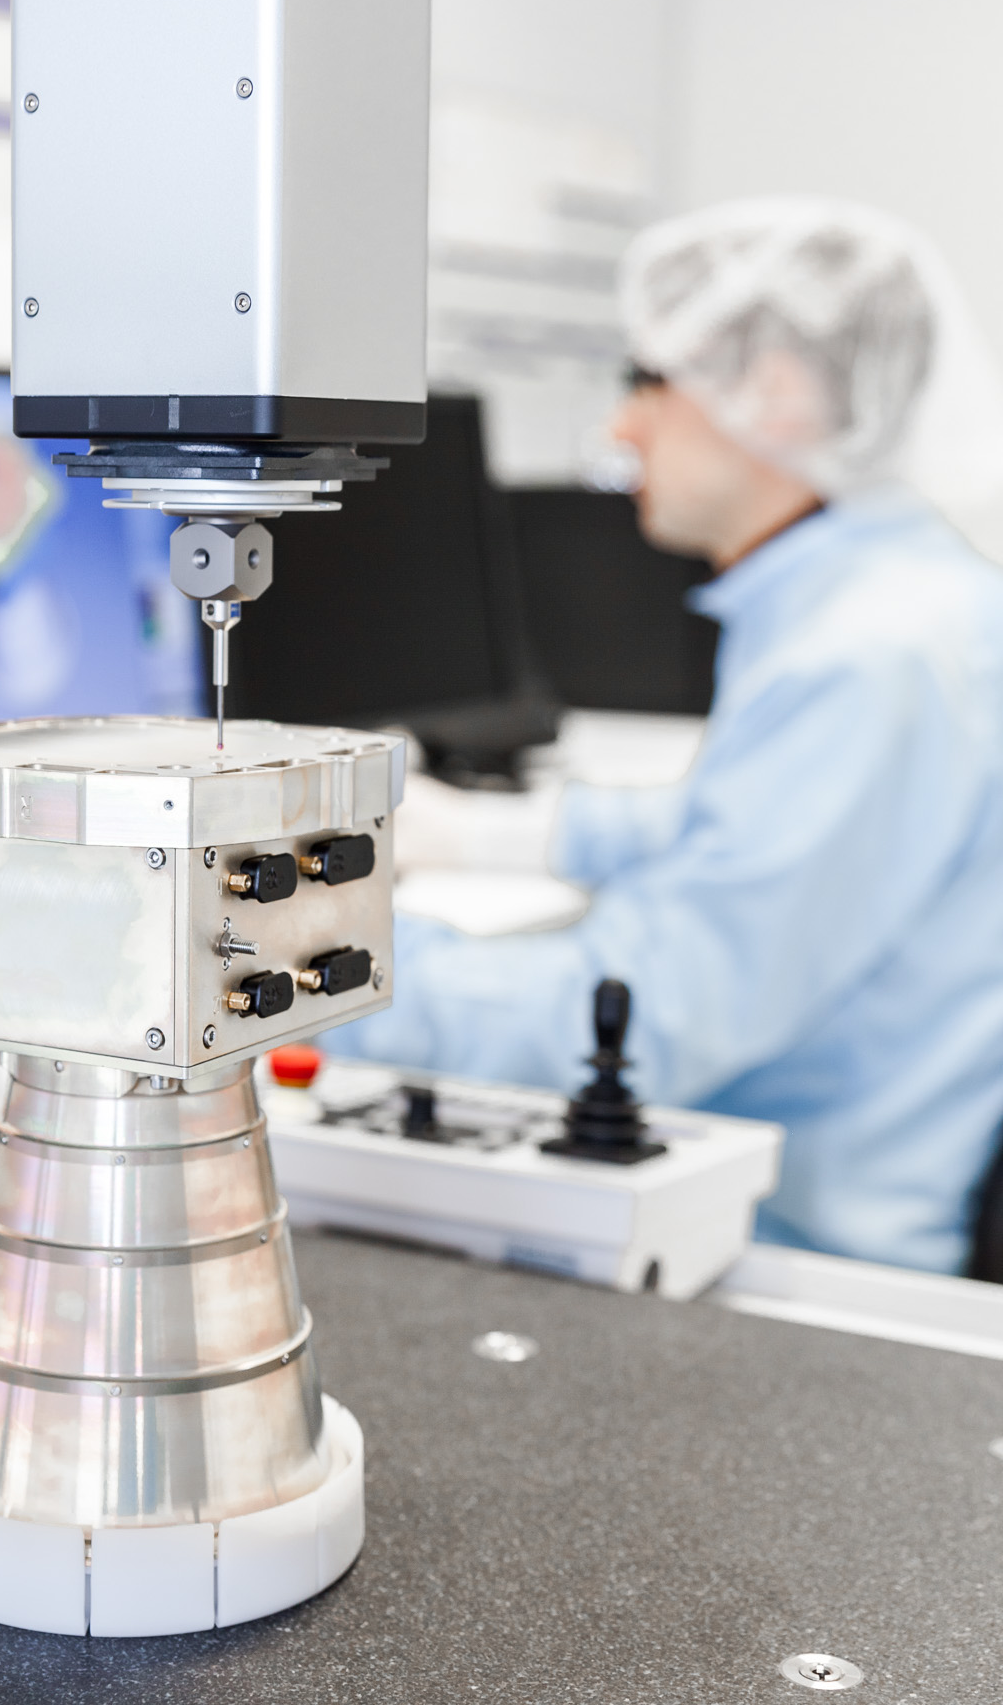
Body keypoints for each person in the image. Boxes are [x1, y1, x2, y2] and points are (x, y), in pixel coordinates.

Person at [331, 198, 1003, 1275]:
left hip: (795, 1258)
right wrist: (491, 836)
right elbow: (740, 823)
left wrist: (316, 962)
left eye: (648, 380)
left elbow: (638, 1023)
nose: (620, 428)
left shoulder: (867, 657)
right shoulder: (899, 591)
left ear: (777, 391)